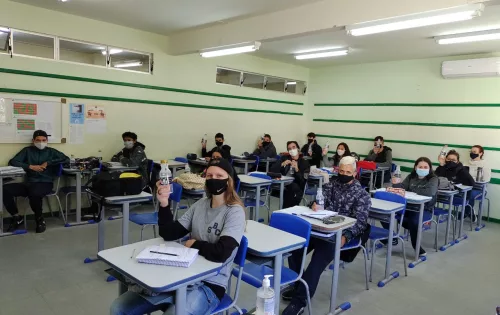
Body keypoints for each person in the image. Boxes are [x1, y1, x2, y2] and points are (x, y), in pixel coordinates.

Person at [110, 158, 246, 315]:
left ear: (228, 181)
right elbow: (169, 233)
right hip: (183, 275)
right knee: (119, 309)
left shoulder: (234, 211)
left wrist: (194, 244)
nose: (213, 180)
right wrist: (164, 203)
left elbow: (221, 253)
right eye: (209, 176)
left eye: (219, 176)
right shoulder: (200, 205)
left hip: (210, 284)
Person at [281, 156, 370, 315]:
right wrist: (313, 205)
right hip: (319, 228)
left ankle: (299, 301)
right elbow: (317, 203)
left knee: (316, 262)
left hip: (340, 234)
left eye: (347, 172)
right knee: (295, 250)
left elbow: (361, 222)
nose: (344, 174)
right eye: (341, 171)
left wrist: (346, 236)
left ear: (355, 173)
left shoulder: (361, 194)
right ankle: (297, 284)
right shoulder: (330, 186)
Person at [3, 130, 68, 233]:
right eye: (38, 140)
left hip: (45, 182)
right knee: (4, 189)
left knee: (34, 193)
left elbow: (66, 159)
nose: (41, 142)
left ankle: (39, 219)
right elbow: (13, 161)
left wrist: (48, 163)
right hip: (29, 183)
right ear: (33, 140)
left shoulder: (51, 152)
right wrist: (30, 166)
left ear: (47, 140)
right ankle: (16, 217)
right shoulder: (27, 151)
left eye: (43, 140)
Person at [383, 157, 438, 256]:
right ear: (415, 167)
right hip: (407, 207)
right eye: (420, 166)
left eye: (425, 167)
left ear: (430, 168)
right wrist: (396, 184)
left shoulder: (433, 179)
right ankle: (392, 238)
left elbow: (429, 192)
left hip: (424, 209)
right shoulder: (411, 177)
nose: (423, 168)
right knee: (385, 214)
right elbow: (402, 189)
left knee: (413, 221)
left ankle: (416, 246)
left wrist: (411, 190)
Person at [436, 150, 476, 220]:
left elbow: (471, 183)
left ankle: (468, 211)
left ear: (457, 161)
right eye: (448, 159)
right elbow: (435, 178)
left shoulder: (461, 169)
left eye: (453, 160)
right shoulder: (443, 167)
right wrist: (441, 165)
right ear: (445, 159)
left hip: (459, 194)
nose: (450, 161)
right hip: (444, 193)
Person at [270, 141, 309, 208]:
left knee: (293, 188)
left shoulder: (304, 162)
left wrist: (297, 169)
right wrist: (282, 164)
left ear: (298, 149)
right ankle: (286, 211)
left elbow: (302, 181)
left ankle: (286, 210)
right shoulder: (284, 158)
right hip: (282, 183)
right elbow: (272, 169)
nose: (292, 150)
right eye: (289, 149)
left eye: (293, 147)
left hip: (294, 187)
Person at [467, 145, 491, 216]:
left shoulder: (485, 164)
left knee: (469, 194)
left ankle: (468, 212)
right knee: (462, 193)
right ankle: (469, 212)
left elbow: (487, 179)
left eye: (474, 152)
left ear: (480, 153)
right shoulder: (466, 163)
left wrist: (472, 179)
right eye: (471, 152)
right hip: (467, 187)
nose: (472, 153)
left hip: (480, 189)